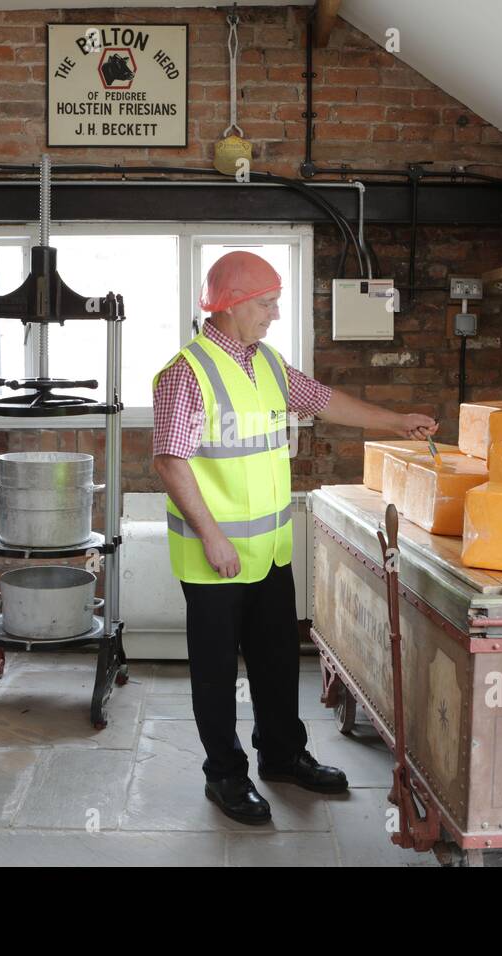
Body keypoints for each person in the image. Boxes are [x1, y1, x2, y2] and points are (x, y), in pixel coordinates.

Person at [152, 251, 438, 824]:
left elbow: (325, 401)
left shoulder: (268, 363)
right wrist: (212, 537)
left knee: (278, 661)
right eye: (265, 304)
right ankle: (226, 777)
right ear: (231, 306)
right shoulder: (187, 373)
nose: (274, 314)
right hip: (216, 557)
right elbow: (170, 461)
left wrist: (396, 421)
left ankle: (282, 756)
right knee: (215, 673)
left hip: (269, 551)